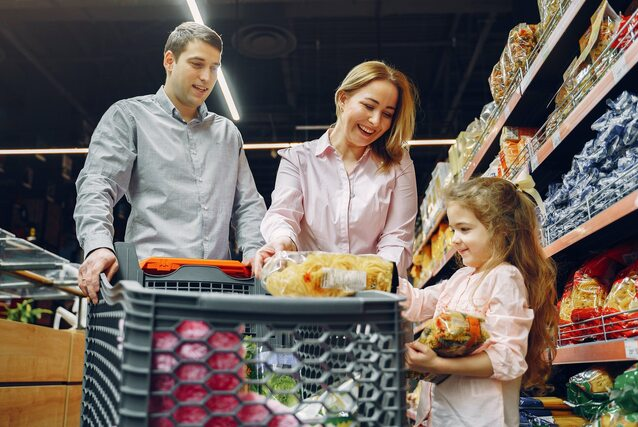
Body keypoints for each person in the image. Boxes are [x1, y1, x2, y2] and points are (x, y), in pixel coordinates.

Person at [74, 22, 266, 303]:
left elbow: (247, 204)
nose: (206, 77)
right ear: (169, 61)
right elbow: (98, 185)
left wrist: (255, 252)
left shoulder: (227, 134)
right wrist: (98, 246)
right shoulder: (129, 117)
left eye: (214, 67)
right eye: (197, 64)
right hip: (150, 288)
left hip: (219, 290)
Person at [399, 177, 557, 426]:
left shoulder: (505, 278)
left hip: (480, 417)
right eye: (453, 230)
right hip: (442, 415)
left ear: (502, 230)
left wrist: (437, 364)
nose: (454, 240)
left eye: (464, 229)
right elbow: (417, 302)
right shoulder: (461, 278)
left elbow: (507, 358)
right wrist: (375, 276)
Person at [254, 60, 418, 278]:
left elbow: (397, 238)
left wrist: (368, 278)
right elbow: (283, 215)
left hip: (372, 294)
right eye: (369, 106)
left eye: (387, 114)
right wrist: (282, 242)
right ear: (343, 99)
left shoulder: (398, 164)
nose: (376, 121)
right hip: (310, 288)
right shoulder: (299, 160)